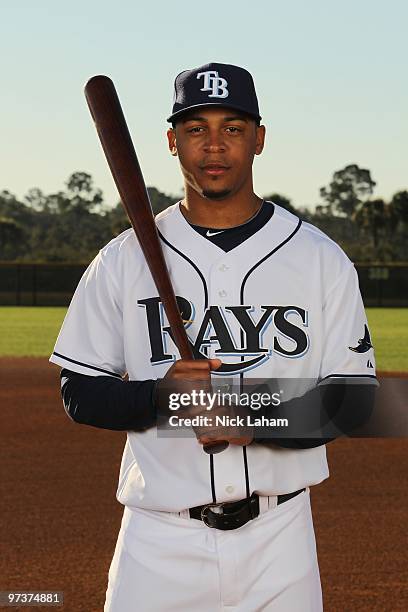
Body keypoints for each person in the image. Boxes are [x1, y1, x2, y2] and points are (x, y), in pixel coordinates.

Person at [50, 62, 378, 611]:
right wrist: (162, 397)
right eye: (197, 128)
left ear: (259, 139)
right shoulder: (122, 259)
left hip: (281, 540)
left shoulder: (319, 259)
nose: (215, 146)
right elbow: (78, 391)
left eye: (233, 127)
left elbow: (355, 401)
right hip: (158, 541)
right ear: (173, 142)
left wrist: (250, 418)